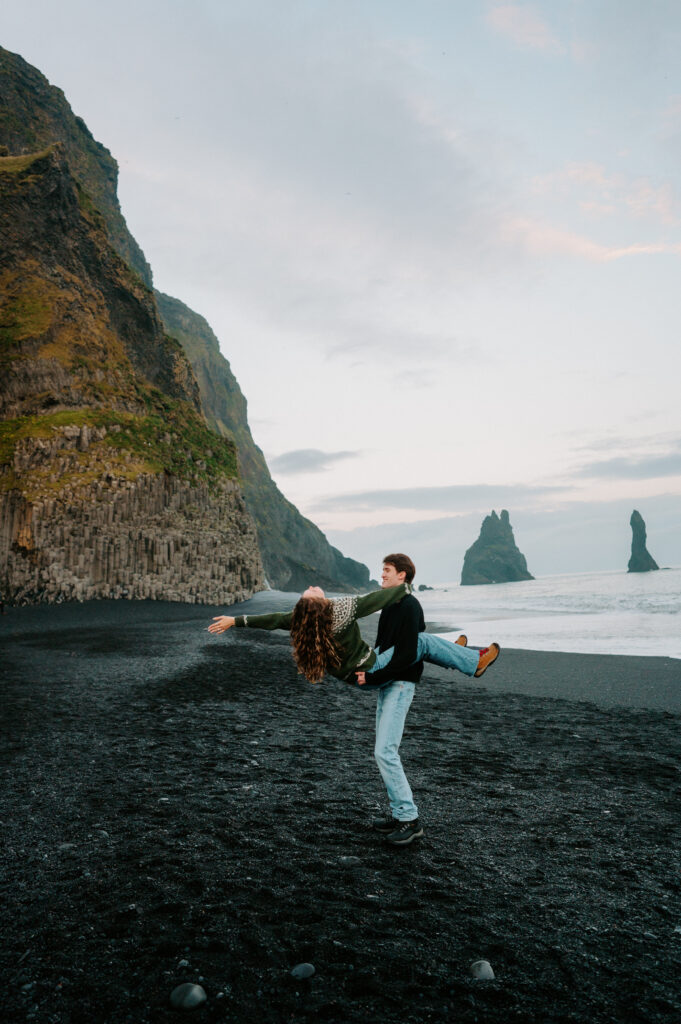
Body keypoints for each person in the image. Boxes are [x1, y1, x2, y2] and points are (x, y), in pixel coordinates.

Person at [208, 556, 500, 846]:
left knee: (389, 737)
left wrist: (235, 620)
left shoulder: (302, 621)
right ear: (315, 603)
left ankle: (453, 653)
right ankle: (470, 661)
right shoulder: (339, 610)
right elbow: (373, 600)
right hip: (371, 668)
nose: (312, 585)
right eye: (310, 591)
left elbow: (272, 620)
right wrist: (406, 588)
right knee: (422, 644)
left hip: (357, 676)